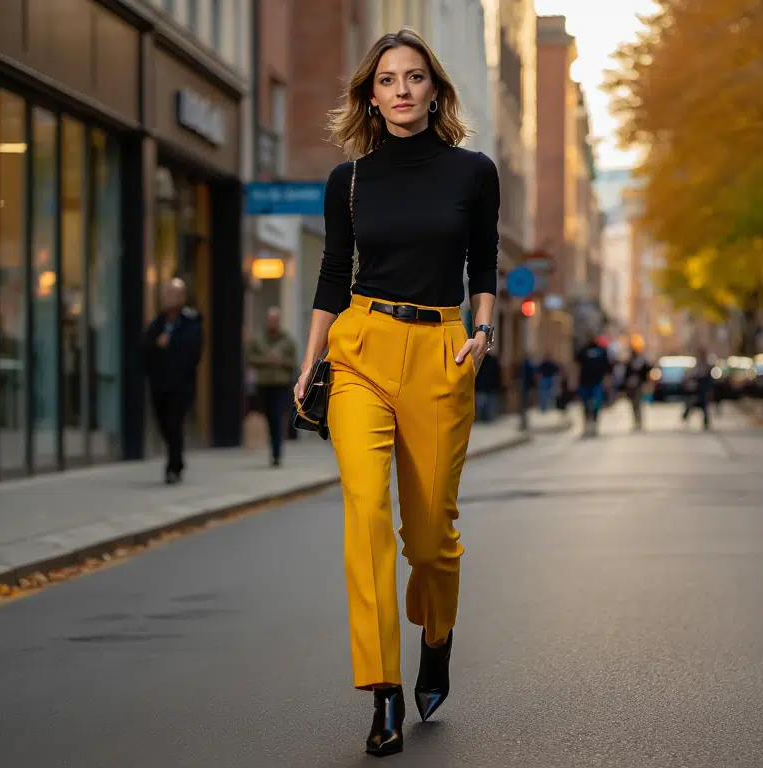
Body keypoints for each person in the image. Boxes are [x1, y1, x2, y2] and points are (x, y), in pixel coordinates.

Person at [293, 28, 498, 757]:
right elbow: (332, 274)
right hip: (362, 352)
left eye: (414, 77)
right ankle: (382, 692)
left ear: (434, 90)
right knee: (365, 513)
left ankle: (436, 636)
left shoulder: (473, 172)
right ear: (370, 96)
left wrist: (484, 327)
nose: (402, 89)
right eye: (387, 79)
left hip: (442, 353)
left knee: (432, 538)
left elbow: (484, 260)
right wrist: (311, 359)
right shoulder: (347, 182)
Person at [142, 278, 202, 484]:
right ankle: (177, 458)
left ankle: (172, 467)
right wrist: (157, 346)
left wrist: (172, 348)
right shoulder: (157, 324)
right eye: (165, 293)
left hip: (180, 385)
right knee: (163, 424)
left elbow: (194, 351)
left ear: (182, 297)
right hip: (159, 383)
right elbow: (145, 349)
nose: (168, 298)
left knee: (174, 423)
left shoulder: (190, 322)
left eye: (173, 294)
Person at [247, 307, 298, 466]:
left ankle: (277, 452)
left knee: (277, 416)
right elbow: (250, 358)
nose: (272, 323)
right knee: (269, 417)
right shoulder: (258, 339)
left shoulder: (287, 340)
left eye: (275, 320)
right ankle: (273, 446)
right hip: (263, 384)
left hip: (281, 385)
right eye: (270, 320)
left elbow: (293, 362)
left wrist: (280, 361)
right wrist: (266, 360)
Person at [574, 336, 612, 437]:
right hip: (585, 382)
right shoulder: (583, 350)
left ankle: (593, 425)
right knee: (585, 405)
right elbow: (576, 365)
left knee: (596, 405)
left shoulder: (602, 351)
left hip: (597, 383)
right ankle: (587, 425)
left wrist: (607, 382)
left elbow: (607, 368)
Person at [682, 350, 715, 430]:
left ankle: (705, 422)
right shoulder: (697, 366)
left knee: (703, 406)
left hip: (703, 390)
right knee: (692, 404)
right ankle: (685, 417)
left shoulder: (707, 366)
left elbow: (709, 380)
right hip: (697, 390)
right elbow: (691, 377)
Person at [622, 351, 653, 431]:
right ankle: (636, 421)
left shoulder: (642, 363)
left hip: (639, 386)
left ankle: (639, 422)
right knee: (633, 405)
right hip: (631, 387)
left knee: (638, 404)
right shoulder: (629, 363)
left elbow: (648, 370)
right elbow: (625, 375)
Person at [474, 350, 502, 422]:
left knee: (480, 405)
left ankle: (481, 419)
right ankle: (488, 419)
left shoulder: (479, 361)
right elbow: (497, 374)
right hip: (489, 387)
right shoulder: (493, 361)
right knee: (489, 405)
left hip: (481, 387)